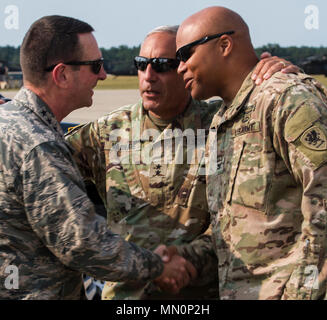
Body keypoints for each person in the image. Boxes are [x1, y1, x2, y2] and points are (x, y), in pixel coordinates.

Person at [66, 25, 299, 300]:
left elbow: (298, 130)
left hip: (201, 293)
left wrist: (282, 77)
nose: (148, 76)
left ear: (186, 68)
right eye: (141, 65)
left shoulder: (223, 124)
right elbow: (38, 165)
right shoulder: (108, 132)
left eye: (162, 65)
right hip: (128, 296)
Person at [0, 15, 197, 300]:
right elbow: (81, 243)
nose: (103, 75)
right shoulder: (39, 146)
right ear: (62, 75)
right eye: (95, 66)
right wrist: (157, 267)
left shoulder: (11, 124)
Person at [176, 6, 327, 300]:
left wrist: (302, 294)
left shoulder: (286, 99)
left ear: (224, 45)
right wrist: (183, 258)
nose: (179, 66)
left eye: (185, 54)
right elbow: (238, 225)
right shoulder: (224, 121)